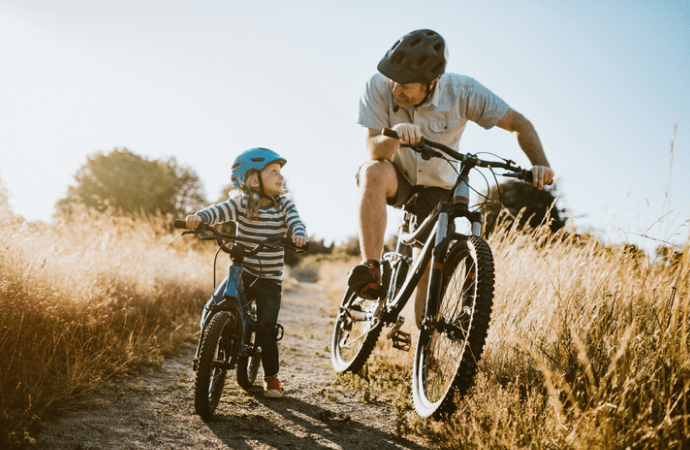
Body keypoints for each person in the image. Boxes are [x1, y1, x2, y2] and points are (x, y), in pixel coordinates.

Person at [348, 29, 554, 328]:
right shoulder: (379, 85)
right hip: (398, 174)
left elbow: (519, 124)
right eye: (394, 78)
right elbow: (373, 149)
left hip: (440, 183)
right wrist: (394, 135)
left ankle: (425, 343)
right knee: (372, 171)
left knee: (428, 267)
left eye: (405, 85)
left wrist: (541, 164)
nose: (395, 90)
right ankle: (372, 268)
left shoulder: (463, 91)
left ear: (431, 83)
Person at [186, 147, 308, 398]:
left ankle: (271, 377)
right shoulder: (241, 203)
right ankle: (209, 351)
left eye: (280, 172)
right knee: (213, 308)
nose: (281, 177)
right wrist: (200, 217)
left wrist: (298, 233)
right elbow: (218, 211)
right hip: (242, 270)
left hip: (269, 279)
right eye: (273, 171)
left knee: (266, 328)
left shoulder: (283, 204)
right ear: (253, 180)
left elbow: (295, 220)